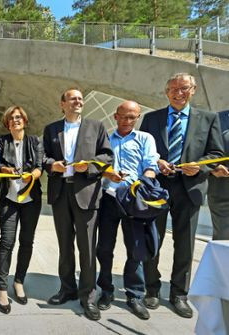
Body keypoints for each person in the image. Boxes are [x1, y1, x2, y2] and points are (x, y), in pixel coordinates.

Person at [139, 73, 224, 318]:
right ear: (166, 92)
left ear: (193, 90)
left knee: (185, 244)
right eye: (174, 89)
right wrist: (158, 161)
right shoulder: (151, 119)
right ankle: (151, 289)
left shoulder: (208, 119)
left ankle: (179, 294)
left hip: (190, 189)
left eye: (184, 88)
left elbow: (215, 153)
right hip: (158, 188)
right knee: (152, 240)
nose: (179, 93)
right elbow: (146, 151)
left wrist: (201, 166)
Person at [43, 88, 113, 321]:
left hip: (86, 192)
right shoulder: (51, 129)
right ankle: (67, 289)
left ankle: (88, 297)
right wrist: (53, 165)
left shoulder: (97, 126)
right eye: (72, 98)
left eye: (80, 99)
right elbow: (43, 157)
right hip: (61, 193)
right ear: (62, 104)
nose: (78, 101)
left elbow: (107, 157)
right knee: (65, 246)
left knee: (87, 248)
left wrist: (90, 166)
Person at [96, 101, 159, 320]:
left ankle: (135, 295)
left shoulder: (145, 139)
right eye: (124, 116)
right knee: (104, 248)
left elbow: (151, 166)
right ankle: (105, 290)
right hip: (109, 200)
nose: (128, 121)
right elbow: (97, 166)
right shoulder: (104, 140)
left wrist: (142, 184)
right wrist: (108, 174)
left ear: (138, 117)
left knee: (136, 250)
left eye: (133, 117)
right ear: (115, 116)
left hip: (134, 201)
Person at [0, 106, 42, 314]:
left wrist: (33, 175)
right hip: (9, 198)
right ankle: (2, 288)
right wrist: (6, 169)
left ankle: (19, 281)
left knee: (27, 241)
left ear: (24, 120)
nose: (15, 120)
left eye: (18, 117)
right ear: (7, 123)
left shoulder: (34, 142)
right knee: (6, 242)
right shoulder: (1, 142)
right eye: (11, 118)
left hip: (31, 199)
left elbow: (40, 165)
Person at [207, 110, 229, 240]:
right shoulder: (216, 119)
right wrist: (213, 167)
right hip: (222, 193)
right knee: (223, 242)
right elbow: (200, 148)